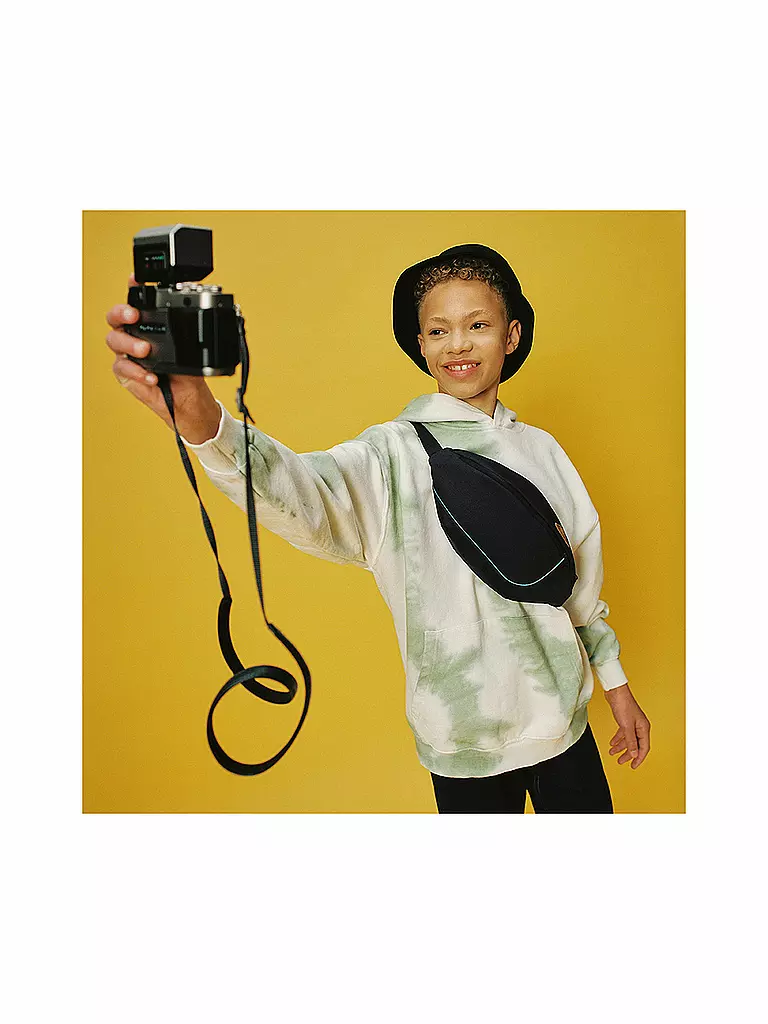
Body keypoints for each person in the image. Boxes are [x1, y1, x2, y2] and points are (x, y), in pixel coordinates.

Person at [105, 242, 651, 813]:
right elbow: (304, 490)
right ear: (421, 345)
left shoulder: (542, 449)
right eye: (438, 331)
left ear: (511, 336)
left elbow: (579, 590)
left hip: (565, 725)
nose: (458, 344)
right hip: (460, 741)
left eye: (478, 325)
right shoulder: (391, 454)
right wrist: (203, 419)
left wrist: (617, 688)